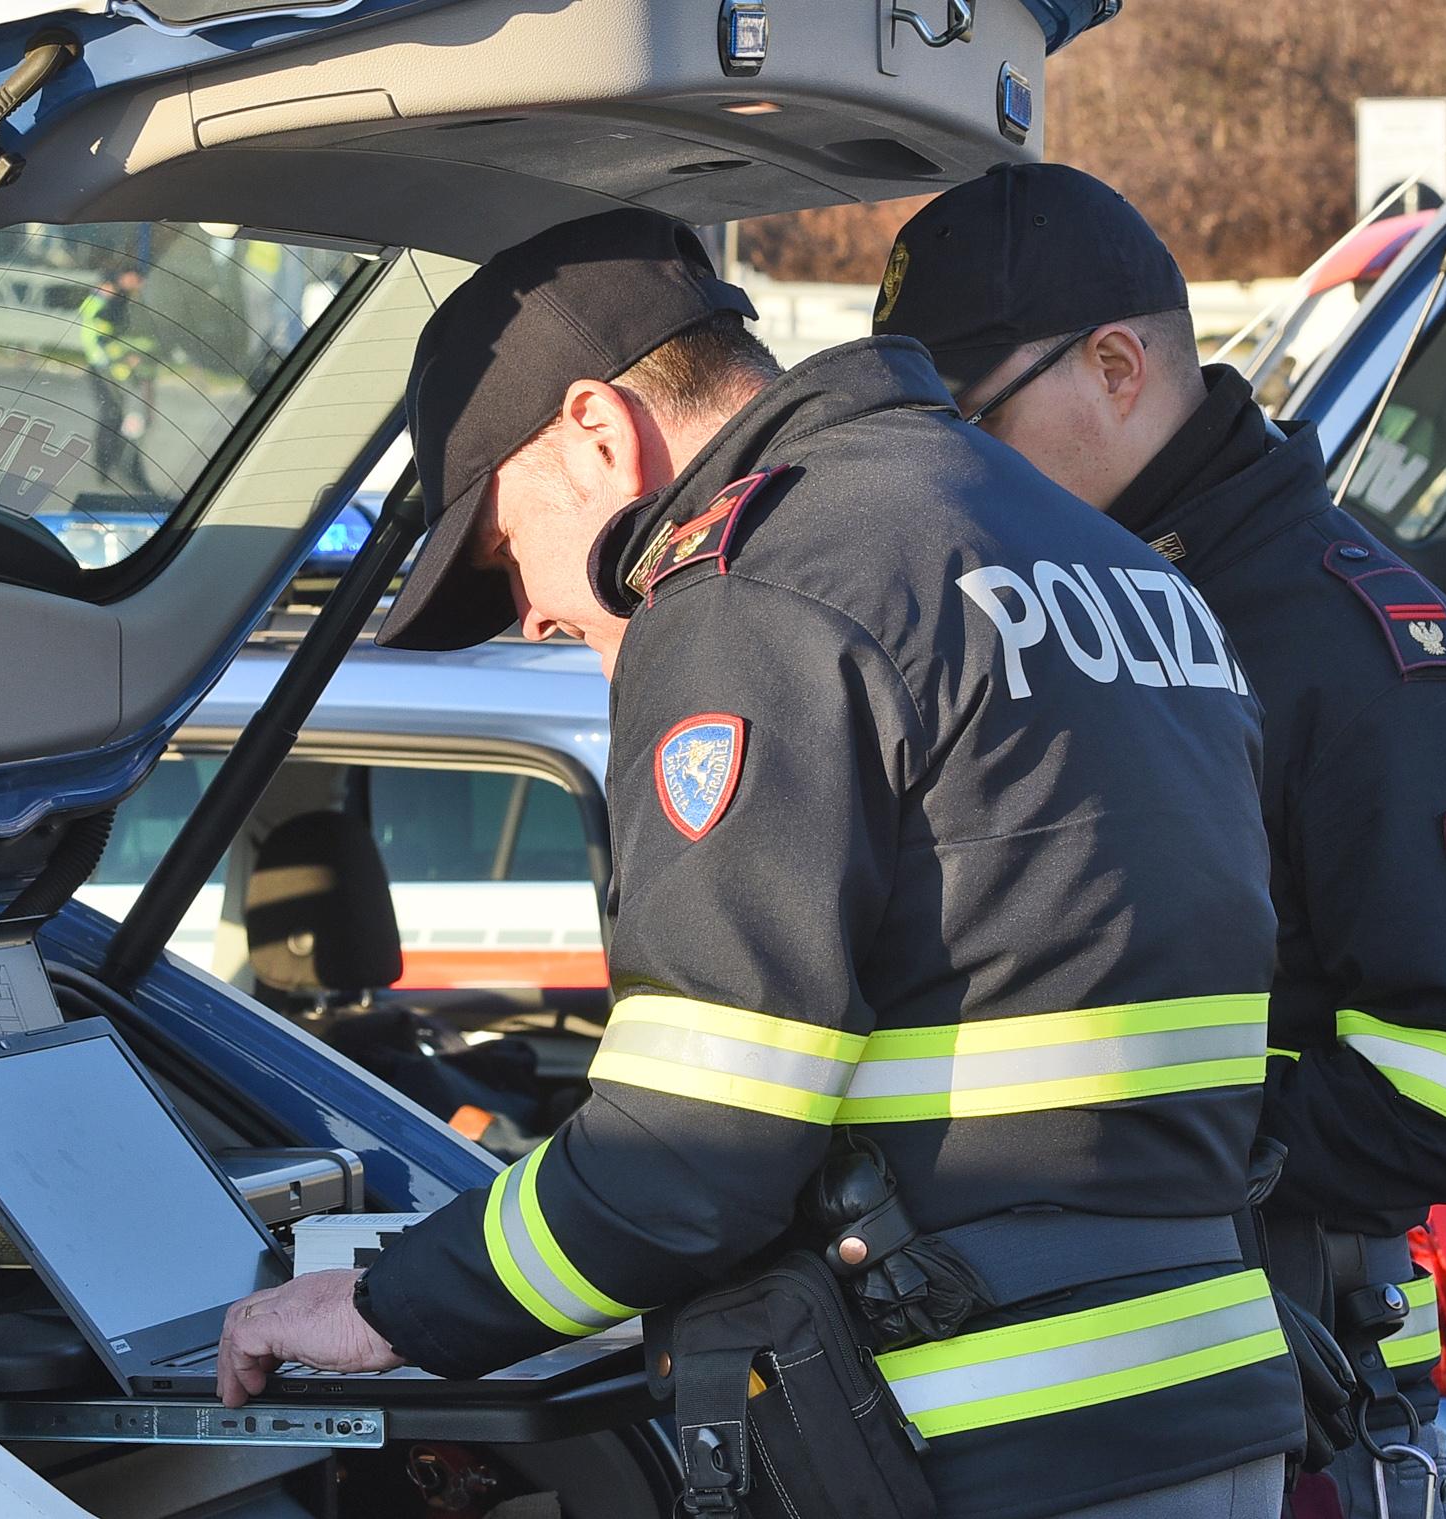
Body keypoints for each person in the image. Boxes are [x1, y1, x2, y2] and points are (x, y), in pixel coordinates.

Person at [215, 207, 1303, 1519]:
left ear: (602, 434)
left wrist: (392, 1301)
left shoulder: (760, 583)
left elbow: (689, 1148)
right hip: (1206, 1400)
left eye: (510, 555)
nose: (538, 613)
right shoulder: (1096, 556)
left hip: (976, 1425)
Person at [874, 164, 1446, 1519]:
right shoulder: (1068, 608)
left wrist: (1131, 1136)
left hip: (1291, 1405)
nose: (943, 473)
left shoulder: (1360, 660)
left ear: (1120, 365)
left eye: (969, 421)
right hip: (1095, 1404)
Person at [78, 266, 159, 486]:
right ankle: (113, 469)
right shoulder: (106, 305)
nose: (139, 283)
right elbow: (102, 341)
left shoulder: (121, 302)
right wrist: (127, 357)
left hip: (119, 372)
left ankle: (117, 469)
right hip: (108, 371)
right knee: (115, 418)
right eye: (135, 278)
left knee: (123, 420)